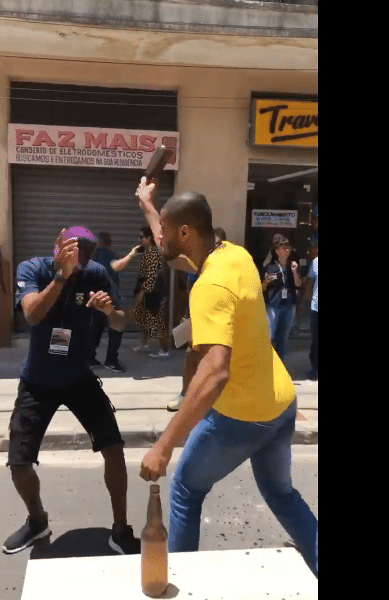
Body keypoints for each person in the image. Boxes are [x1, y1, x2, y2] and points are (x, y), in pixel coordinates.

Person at [134, 178, 318, 578]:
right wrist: (148, 205)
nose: (158, 237)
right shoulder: (235, 256)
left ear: (186, 232)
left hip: (242, 415)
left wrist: (164, 446)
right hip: (281, 403)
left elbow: (215, 370)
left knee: (185, 487)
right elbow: (174, 253)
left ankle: (181, 582)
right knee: (281, 493)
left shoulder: (209, 286)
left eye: (165, 229)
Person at [3, 226, 141, 556]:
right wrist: (61, 278)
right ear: (58, 245)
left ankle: (120, 530)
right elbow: (33, 314)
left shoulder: (96, 274)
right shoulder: (32, 269)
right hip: (37, 380)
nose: (82, 264)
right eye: (75, 255)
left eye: (87, 257)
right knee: (19, 462)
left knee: (114, 447)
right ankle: (37, 521)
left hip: (79, 376)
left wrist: (108, 311)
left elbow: (121, 323)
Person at [167, 227, 226, 412]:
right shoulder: (198, 264)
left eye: (216, 243)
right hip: (199, 317)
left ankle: (218, 399)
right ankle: (185, 394)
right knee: (191, 356)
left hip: (220, 320)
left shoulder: (229, 265)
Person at [89, 232, 141, 373]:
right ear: (109, 242)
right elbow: (116, 266)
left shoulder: (90, 255)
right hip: (108, 300)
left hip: (93, 299)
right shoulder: (105, 253)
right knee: (116, 329)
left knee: (95, 329)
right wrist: (131, 255)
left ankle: (89, 359)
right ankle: (111, 361)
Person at [262, 237, 302, 364]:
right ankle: (267, 364)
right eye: (284, 248)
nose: (287, 250)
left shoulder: (293, 266)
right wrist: (266, 281)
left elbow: (299, 284)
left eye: (288, 248)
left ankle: (281, 364)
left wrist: (295, 272)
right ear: (277, 250)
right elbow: (261, 287)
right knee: (270, 336)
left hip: (289, 306)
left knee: (283, 338)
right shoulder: (270, 267)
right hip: (274, 305)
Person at [131, 225, 170, 358]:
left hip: (152, 292)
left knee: (156, 321)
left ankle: (164, 350)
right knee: (142, 318)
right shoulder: (149, 252)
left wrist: (142, 293)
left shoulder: (153, 253)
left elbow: (152, 275)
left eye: (142, 237)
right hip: (148, 291)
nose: (140, 239)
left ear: (149, 238)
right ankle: (144, 343)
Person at [304, 249, 318, 380]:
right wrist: (305, 300)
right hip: (316, 307)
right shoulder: (315, 262)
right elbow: (311, 281)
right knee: (315, 339)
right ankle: (315, 367)